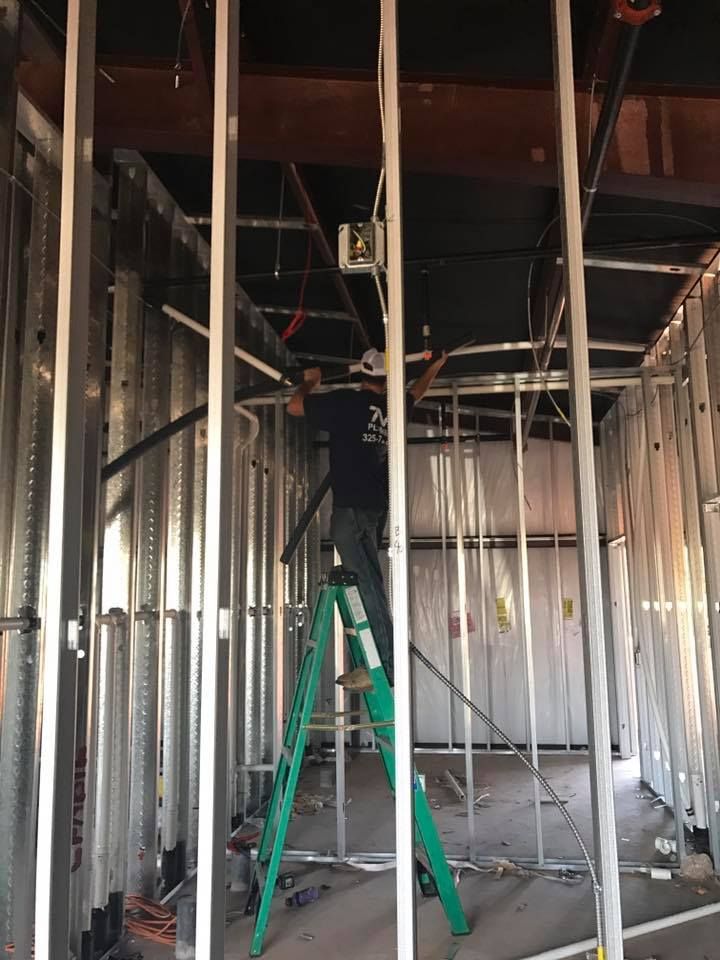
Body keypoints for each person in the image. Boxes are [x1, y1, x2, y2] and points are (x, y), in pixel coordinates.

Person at [288, 347, 448, 690]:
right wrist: (435, 365)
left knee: (367, 585)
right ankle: (377, 662)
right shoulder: (392, 407)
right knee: (368, 582)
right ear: (386, 378)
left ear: (361, 374)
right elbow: (418, 391)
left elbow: (294, 406)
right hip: (374, 508)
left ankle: (386, 667)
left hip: (351, 509)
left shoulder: (346, 402)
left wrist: (311, 382)